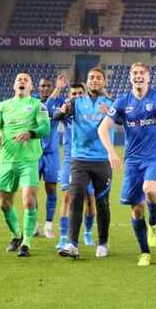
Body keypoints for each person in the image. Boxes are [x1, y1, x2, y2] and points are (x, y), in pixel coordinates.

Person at [99, 62, 156, 267]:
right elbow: (103, 128)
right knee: (136, 209)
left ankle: (153, 223)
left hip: (154, 157)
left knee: (150, 190)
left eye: (142, 73)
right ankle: (145, 252)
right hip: (132, 161)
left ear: (148, 77)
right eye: (134, 73)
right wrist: (111, 152)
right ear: (130, 77)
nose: (138, 76)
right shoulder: (121, 102)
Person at [0, 71, 51, 257]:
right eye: (19, 79)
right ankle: (16, 235)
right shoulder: (3, 106)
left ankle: (26, 243)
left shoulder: (38, 105)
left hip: (28, 161)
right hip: (7, 161)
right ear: (14, 86)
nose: (22, 81)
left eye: (26, 80)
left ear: (31, 87)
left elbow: (45, 128)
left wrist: (31, 132)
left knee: (28, 200)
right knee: (4, 204)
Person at [53, 67, 115, 259]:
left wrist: (112, 114)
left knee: (102, 202)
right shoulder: (75, 102)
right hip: (79, 160)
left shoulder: (111, 103)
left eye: (98, 78)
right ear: (87, 82)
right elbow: (57, 117)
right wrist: (62, 111)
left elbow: (124, 120)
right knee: (76, 197)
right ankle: (72, 244)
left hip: (102, 160)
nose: (94, 80)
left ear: (104, 82)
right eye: (91, 77)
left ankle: (103, 242)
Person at [56, 83, 97, 248]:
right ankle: (63, 237)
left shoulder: (90, 110)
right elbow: (55, 115)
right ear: (69, 95)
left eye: (80, 93)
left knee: (90, 199)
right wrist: (62, 110)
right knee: (66, 197)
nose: (77, 96)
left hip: (89, 159)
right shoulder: (67, 111)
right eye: (73, 93)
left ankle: (87, 233)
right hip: (69, 159)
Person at [36, 75, 67, 239]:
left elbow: (61, 113)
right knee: (31, 190)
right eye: (43, 86)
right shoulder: (33, 102)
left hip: (52, 154)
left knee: (51, 190)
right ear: (38, 88)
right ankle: (33, 225)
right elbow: (45, 109)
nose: (45, 89)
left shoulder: (61, 101)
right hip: (33, 153)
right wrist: (58, 88)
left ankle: (48, 225)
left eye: (48, 86)